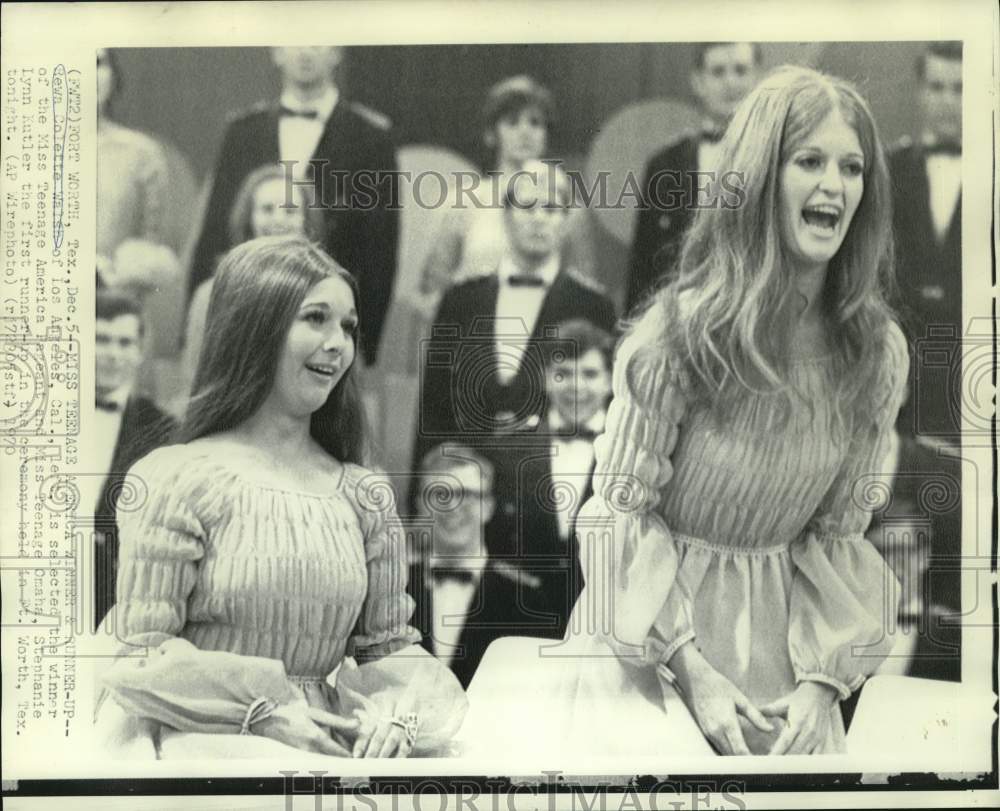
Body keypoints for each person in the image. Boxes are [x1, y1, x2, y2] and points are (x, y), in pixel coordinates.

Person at [543, 65, 909, 757]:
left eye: (852, 167)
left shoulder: (877, 354)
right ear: (758, 178)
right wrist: (692, 669)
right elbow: (620, 514)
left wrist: (822, 684)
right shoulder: (675, 337)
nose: (835, 185)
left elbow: (836, 537)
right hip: (647, 655)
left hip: (787, 677)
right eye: (809, 161)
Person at [95, 236, 466, 760]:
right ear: (255, 329)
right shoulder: (177, 479)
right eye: (315, 318)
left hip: (326, 750)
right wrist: (264, 710)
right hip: (204, 749)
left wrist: (403, 717)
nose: (338, 343)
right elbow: (140, 655)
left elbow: (392, 650)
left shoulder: (364, 496)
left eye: (348, 326)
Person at [188, 47, 399, 365]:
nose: (305, 51)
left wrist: (362, 346)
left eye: (319, 40)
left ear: (338, 52)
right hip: (246, 320)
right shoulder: (243, 131)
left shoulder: (370, 137)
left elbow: (380, 253)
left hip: (329, 325)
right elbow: (216, 232)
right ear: (275, 52)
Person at [413, 161, 616, 470]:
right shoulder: (460, 300)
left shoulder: (592, 306)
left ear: (565, 222)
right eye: (527, 207)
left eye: (551, 209)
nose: (539, 219)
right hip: (467, 491)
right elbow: (433, 407)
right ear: (505, 217)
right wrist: (422, 501)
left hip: (547, 491)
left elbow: (605, 416)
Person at [886, 42, 963, 683]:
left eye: (961, 88)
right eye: (936, 87)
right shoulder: (887, 172)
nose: (947, 103)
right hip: (899, 406)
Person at [488, 319, 614, 639]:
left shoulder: (625, 456)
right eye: (564, 374)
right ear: (545, 379)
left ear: (610, 381)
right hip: (519, 623)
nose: (576, 387)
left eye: (589, 374)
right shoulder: (509, 449)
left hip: (600, 628)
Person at [419, 75, 596, 301]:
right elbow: (433, 290)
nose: (525, 132)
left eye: (535, 122)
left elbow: (583, 293)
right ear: (492, 134)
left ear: (546, 135)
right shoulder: (463, 203)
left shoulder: (570, 209)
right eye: (512, 122)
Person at [627, 42, 761, 313]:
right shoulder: (664, 165)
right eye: (718, 72)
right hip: (680, 320)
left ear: (758, 77)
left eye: (740, 70)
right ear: (698, 82)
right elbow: (642, 270)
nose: (730, 82)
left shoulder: (778, 160)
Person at [180, 164, 325, 394]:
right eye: (267, 209)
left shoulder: (327, 294)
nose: (278, 220)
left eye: (290, 211)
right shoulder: (212, 294)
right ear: (249, 219)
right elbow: (193, 385)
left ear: (306, 221)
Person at [407, 445, 540, 688]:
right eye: (440, 494)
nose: (453, 508)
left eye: (467, 495)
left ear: (488, 507)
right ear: (420, 505)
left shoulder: (527, 599)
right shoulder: (394, 591)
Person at [92, 290, 176, 628]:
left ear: (140, 352)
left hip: (114, 604)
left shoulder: (161, 429)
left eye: (125, 343)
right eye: (101, 340)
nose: (113, 354)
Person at [95, 47, 178, 295]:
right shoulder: (23, 150)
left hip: (119, 311)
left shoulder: (141, 153)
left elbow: (156, 249)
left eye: (98, 63)